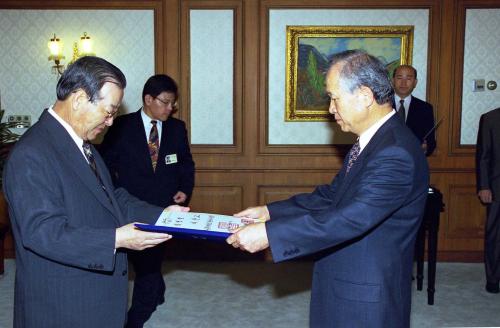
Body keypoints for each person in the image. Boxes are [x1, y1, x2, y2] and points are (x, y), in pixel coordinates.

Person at [227, 50, 429, 327]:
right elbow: (333, 196)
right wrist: (269, 212)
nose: (331, 109)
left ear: (365, 96)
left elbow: (352, 217)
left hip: (365, 294)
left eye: (334, 98)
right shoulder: (374, 140)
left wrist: (270, 235)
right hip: (345, 279)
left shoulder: (395, 152)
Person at [2, 56, 188, 328]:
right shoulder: (32, 153)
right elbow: (43, 233)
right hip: (64, 305)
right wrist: (117, 239)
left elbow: (114, 200)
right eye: (109, 111)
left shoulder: (83, 143)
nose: (111, 121)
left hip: (94, 299)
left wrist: (162, 215)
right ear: (78, 99)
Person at [99, 74, 195, 327]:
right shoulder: (120, 126)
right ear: (148, 99)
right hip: (129, 205)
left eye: (172, 103)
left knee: (150, 263)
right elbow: (105, 164)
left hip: (164, 208)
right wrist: (114, 194)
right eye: (165, 102)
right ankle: (157, 291)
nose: (169, 108)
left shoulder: (177, 128)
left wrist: (184, 189)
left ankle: (137, 317)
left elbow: (186, 163)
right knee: (139, 260)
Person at [476, 107, 500, 294]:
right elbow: (483, 156)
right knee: (495, 237)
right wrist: (484, 186)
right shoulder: (490, 118)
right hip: (496, 188)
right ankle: (493, 279)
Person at [392, 64, 437, 156]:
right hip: (384, 162)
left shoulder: (425, 108)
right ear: (392, 81)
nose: (403, 83)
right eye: (399, 78)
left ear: (415, 83)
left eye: (408, 79)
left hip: (414, 162)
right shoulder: (381, 105)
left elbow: (431, 142)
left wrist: (426, 148)